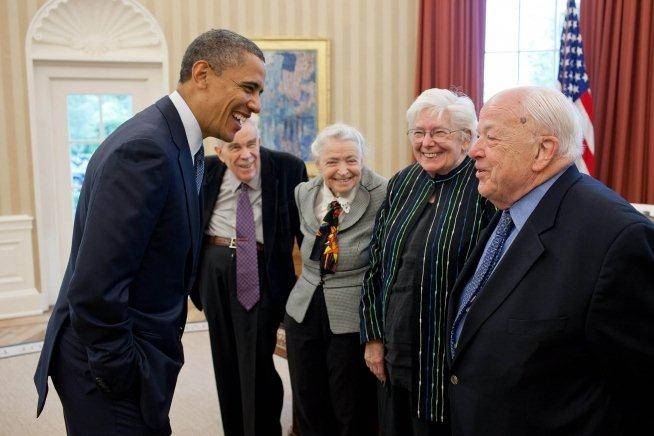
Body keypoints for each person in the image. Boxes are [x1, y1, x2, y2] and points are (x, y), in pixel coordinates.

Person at [33, 29, 265, 435]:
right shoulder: (146, 149)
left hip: (138, 355)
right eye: (248, 88)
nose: (255, 105)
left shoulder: (180, 144)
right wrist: (122, 372)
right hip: (108, 368)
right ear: (202, 73)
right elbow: (94, 288)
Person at [446, 85, 654, 435]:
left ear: (544, 150)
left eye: (490, 138)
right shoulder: (511, 209)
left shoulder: (616, 238)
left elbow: (640, 389)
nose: (473, 151)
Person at [360, 89, 495, 435]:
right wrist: (373, 337)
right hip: (395, 348)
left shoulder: (483, 187)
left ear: (466, 138)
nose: (426, 142)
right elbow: (376, 262)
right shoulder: (403, 182)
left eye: (439, 132)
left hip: (446, 356)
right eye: (418, 133)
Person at [191, 115, 307, 436]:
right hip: (214, 267)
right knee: (224, 358)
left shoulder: (287, 168)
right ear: (220, 150)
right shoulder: (207, 170)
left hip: (259, 268)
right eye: (235, 147)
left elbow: (304, 232)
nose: (246, 155)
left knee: (257, 359)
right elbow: (188, 223)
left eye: (251, 144)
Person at [284, 123, 386, 436]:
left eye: (351, 160)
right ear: (319, 164)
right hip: (305, 307)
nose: (343, 170)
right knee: (308, 398)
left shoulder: (383, 192)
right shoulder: (304, 192)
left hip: (353, 311)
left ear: (363, 159)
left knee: (351, 404)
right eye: (332, 162)